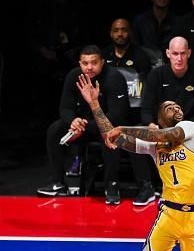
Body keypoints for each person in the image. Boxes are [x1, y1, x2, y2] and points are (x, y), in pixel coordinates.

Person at [77, 72, 194, 251]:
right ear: (159, 118)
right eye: (170, 107)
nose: (176, 109)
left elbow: (167, 135)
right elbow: (114, 138)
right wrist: (95, 104)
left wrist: (122, 128)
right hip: (169, 215)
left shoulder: (190, 129)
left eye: (178, 106)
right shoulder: (153, 146)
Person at [36, 45, 129, 205]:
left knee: (111, 136)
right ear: (80, 63)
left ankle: (111, 186)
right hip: (80, 125)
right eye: (85, 63)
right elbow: (65, 107)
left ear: (102, 62)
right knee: (55, 130)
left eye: (94, 62)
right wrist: (72, 121)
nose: (89, 67)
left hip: (106, 125)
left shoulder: (114, 78)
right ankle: (57, 182)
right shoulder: (73, 76)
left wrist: (85, 126)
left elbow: (118, 115)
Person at [102, 18, 157, 206]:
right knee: (111, 136)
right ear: (111, 33)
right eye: (116, 30)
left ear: (130, 32)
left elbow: (148, 89)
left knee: (133, 136)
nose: (120, 34)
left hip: (136, 112)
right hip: (113, 110)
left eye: (124, 30)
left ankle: (146, 186)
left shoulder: (141, 56)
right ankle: (111, 185)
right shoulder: (104, 55)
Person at [141, 36, 194, 130]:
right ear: (168, 53)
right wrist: (151, 125)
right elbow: (146, 109)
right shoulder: (156, 75)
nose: (179, 59)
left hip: (189, 130)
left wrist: (184, 130)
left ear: (189, 53)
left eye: (183, 53)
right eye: (175, 53)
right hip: (160, 129)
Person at [133, 0, 180, 67]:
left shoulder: (178, 22)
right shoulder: (140, 21)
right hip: (145, 66)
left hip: (170, 67)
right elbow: (135, 47)